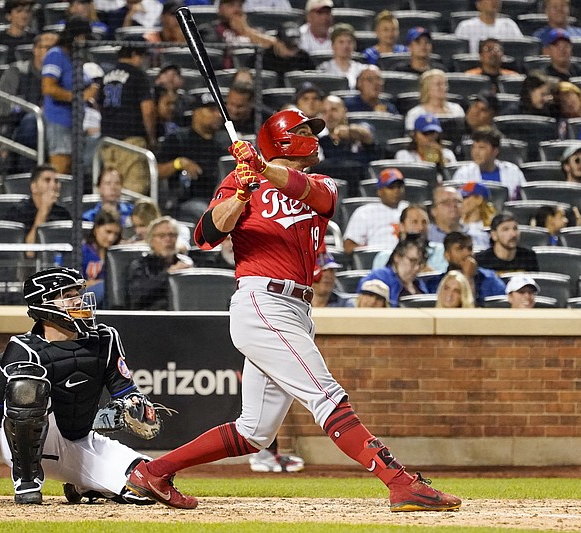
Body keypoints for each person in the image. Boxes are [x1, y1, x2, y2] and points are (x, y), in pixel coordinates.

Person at [124, 108, 461, 511]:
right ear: (283, 138)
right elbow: (206, 235)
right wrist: (241, 193)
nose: (313, 136)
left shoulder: (320, 182)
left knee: (255, 432)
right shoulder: (239, 180)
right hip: (262, 301)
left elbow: (315, 196)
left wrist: (262, 168)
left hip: (297, 307)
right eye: (303, 130)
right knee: (327, 397)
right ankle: (400, 482)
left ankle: (153, 472)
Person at [0, 267, 157, 505]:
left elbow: (126, 391)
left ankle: (82, 485)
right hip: (27, 449)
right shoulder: (22, 349)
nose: (78, 300)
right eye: (66, 295)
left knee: (152, 481)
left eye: (77, 293)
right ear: (43, 306)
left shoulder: (105, 339)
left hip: (79, 439)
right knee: (26, 387)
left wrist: (137, 407)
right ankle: (27, 481)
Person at [41, 17, 100, 174]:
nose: (85, 42)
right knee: (61, 170)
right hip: (58, 121)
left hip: (74, 122)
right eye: (84, 37)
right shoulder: (56, 54)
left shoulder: (74, 58)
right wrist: (80, 97)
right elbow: (48, 88)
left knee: (72, 171)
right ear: (76, 36)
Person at [156, 92, 228, 220]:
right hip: (187, 201)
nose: (218, 115)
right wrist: (179, 163)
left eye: (219, 110)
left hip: (221, 198)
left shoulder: (224, 142)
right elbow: (157, 170)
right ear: (196, 112)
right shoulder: (178, 138)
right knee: (206, 213)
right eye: (211, 110)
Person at [99, 39, 157, 194]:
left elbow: (99, 106)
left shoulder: (106, 77)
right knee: (134, 194)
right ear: (134, 54)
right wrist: (151, 137)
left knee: (110, 193)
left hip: (108, 143)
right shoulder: (137, 75)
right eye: (143, 56)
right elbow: (148, 110)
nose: (145, 61)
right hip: (131, 143)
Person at [0, 31, 58, 174]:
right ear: (35, 49)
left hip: (54, 129)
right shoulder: (17, 72)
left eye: (56, 50)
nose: (53, 54)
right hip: (18, 129)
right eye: (48, 48)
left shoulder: (60, 77)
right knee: (33, 121)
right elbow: (3, 109)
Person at [126, 216, 193, 310]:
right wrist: (168, 274)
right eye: (162, 236)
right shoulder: (140, 265)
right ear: (151, 240)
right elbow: (138, 294)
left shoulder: (185, 263)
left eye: (172, 235)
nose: (168, 239)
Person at [6, 164, 73, 259]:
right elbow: (29, 252)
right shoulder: (18, 212)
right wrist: (43, 210)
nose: (53, 185)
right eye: (47, 180)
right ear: (34, 187)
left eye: (56, 181)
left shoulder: (62, 213)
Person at [425, 231, 505, 307]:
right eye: (460, 249)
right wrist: (467, 277)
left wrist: (469, 277)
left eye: (470, 248)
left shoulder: (489, 278)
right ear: (447, 255)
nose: (467, 253)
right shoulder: (436, 284)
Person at [316, 95, 376, 193]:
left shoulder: (360, 133)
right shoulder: (321, 142)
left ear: (344, 111)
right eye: (324, 112)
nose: (329, 115)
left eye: (334, 110)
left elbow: (367, 135)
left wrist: (349, 131)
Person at [197, 0, 279, 70]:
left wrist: (245, 31)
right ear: (220, 8)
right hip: (219, 76)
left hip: (252, 76)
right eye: (231, 5)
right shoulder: (207, 30)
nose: (236, 9)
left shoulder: (255, 31)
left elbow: (276, 46)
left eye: (239, 5)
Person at [343, 168, 409, 253]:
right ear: (380, 191)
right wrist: (368, 252)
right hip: (375, 259)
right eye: (391, 187)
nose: (396, 191)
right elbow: (348, 246)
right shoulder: (365, 212)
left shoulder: (410, 210)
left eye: (399, 187)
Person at [451, 127, 526, 200]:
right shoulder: (463, 173)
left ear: (495, 151)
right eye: (474, 147)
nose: (476, 152)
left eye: (481, 148)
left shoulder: (513, 171)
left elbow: (524, 199)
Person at [372, 204, 448, 273]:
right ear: (402, 226)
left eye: (424, 222)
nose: (420, 227)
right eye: (414, 222)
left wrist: (426, 270)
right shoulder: (383, 258)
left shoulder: (441, 252)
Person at [358, 238, 430, 307]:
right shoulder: (378, 277)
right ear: (397, 257)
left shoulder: (420, 284)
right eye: (412, 261)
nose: (417, 268)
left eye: (420, 263)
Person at [475, 211, 540, 275]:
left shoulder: (528, 257)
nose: (513, 234)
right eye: (505, 229)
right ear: (494, 235)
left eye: (515, 228)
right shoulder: (481, 260)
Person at [253, 20, 315, 86]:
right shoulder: (262, 58)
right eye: (289, 46)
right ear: (278, 42)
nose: (293, 51)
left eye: (295, 46)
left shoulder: (304, 58)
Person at [82, 209, 122, 308]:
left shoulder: (117, 255)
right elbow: (72, 285)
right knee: (105, 287)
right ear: (96, 229)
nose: (111, 238)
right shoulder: (82, 251)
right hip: (82, 298)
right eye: (108, 232)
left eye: (115, 234)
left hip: (107, 300)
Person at [454, 0, 523, 55]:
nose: (494, 1)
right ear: (478, 4)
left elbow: (521, 50)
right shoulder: (466, 26)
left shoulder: (509, 25)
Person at [317, 23, 366, 90]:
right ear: (333, 45)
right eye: (341, 42)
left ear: (354, 45)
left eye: (349, 42)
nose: (345, 46)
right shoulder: (324, 69)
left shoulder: (362, 70)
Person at [458, 91, 499, 158]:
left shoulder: (495, 139)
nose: (475, 112)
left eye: (483, 110)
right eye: (475, 106)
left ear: (492, 116)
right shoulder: (453, 129)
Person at [458, 182, 495, 249]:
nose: (460, 201)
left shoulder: (492, 228)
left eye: (464, 197)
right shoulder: (456, 224)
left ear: (479, 199)